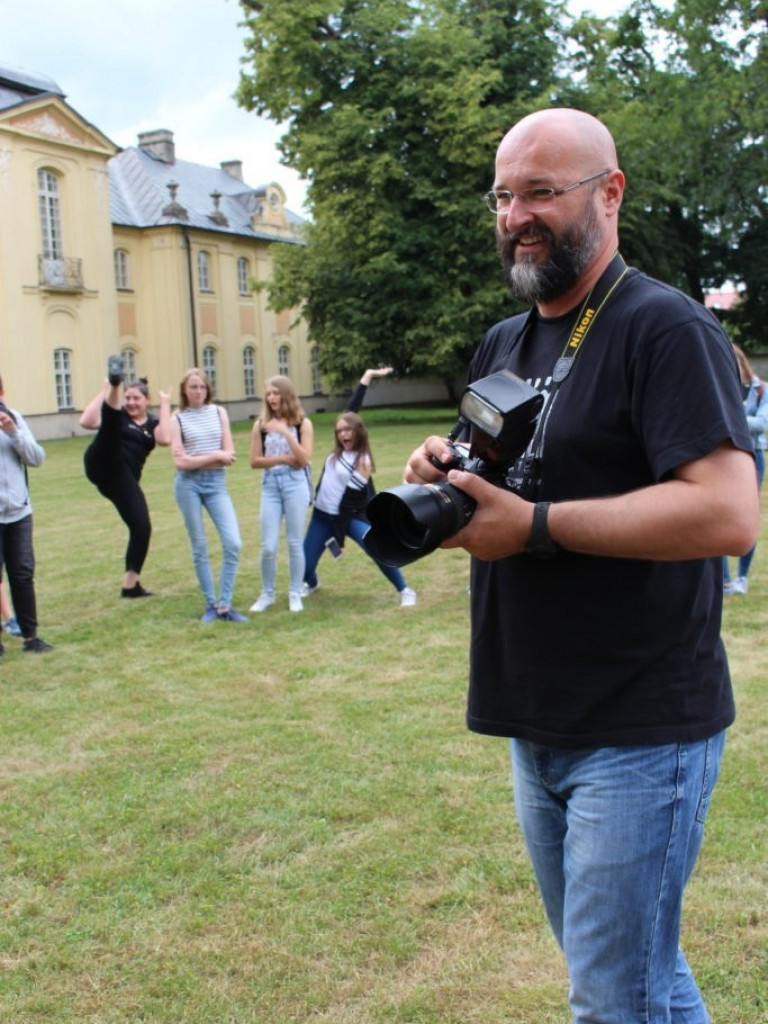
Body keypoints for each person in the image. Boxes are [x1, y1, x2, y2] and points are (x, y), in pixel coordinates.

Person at [404, 108, 758, 1024]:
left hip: (641, 728)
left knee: (610, 999)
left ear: (609, 193)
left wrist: (537, 527)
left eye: (541, 193)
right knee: (639, 978)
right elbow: (490, 473)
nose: (517, 214)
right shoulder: (505, 339)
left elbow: (727, 510)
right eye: (503, 194)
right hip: (537, 713)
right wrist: (440, 476)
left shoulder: (663, 328)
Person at [300, 367, 417, 606]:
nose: (343, 432)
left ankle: (405, 590)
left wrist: (339, 538)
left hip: (349, 516)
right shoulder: (338, 452)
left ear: (358, 432)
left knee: (377, 549)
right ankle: (311, 582)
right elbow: (350, 411)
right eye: (339, 429)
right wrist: (367, 377)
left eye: (348, 429)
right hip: (321, 516)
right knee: (303, 566)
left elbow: (348, 504)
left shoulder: (362, 461)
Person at [80, 356, 171, 597]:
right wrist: (107, 389)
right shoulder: (119, 414)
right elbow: (86, 421)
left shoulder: (153, 423)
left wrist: (165, 404)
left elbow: (165, 439)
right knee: (111, 423)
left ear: (146, 401)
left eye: (136, 399)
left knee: (142, 527)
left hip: (121, 478)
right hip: (100, 461)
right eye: (127, 397)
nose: (130, 403)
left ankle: (131, 586)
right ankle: (115, 380)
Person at [171, 368, 247, 623]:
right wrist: (214, 456)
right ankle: (211, 604)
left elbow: (230, 454)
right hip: (188, 486)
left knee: (233, 542)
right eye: (193, 387)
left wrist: (199, 459)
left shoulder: (219, 413)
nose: (198, 391)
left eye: (202, 387)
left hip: (216, 484)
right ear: (185, 390)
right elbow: (180, 462)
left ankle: (225, 604)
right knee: (200, 545)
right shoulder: (178, 419)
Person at [249, 375, 314, 613]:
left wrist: (286, 433)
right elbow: (254, 461)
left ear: (286, 395)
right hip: (271, 485)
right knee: (268, 545)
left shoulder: (302, 424)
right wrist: (284, 459)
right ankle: (267, 593)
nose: (271, 398)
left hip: (295, 484)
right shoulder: (261, 425)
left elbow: (305, 458)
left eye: (275, 393)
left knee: (295, 542)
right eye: (268, 393)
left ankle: (295, 593)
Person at [0, 373, 54, 653]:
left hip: (19, 512)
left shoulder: (14, 418)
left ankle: (30, 637)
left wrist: (13, 432)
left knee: (22, 573)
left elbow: (36, 458)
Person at [723, 344, 767, 594]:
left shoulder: (761, 391)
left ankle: (742, 577)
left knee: (746, 515)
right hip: (724, 453)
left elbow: (762, 423)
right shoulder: (717, 387)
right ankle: (725, 580)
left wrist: (730, 413)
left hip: (753, 455)